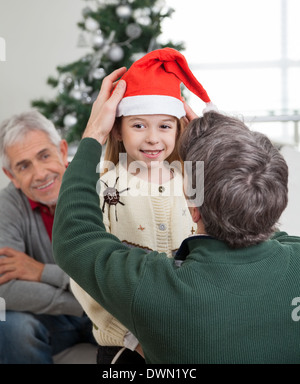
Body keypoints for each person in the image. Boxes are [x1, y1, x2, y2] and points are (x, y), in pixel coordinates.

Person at [53, 67, 300, 364]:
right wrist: (223, 148)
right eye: (139, 125)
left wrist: (92, 135)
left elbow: (76, 243)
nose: (153, 138)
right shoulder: (293, 255)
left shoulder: (160, 292)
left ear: (194, 209)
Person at [69, 48, 215, 364]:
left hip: (192, 335)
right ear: (118, 129)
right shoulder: (103, 184)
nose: (152, 139)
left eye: (164, 126)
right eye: (138, 125)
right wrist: (131, 338)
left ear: (178, 128)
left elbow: (218, 249)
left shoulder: (196, 180)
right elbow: (83, 270)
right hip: (125, 347)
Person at [0, 110, 96, 364]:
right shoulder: (6, 206)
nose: (41, 173)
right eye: (24, 165)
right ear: (11, 176)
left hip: (106, 314)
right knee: (9, 327)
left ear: (63, 151)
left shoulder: (98, 186)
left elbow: (110, 277)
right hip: (52, 321)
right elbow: (4, 288)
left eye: (44, 155)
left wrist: (41, 271)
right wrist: (79, 305)